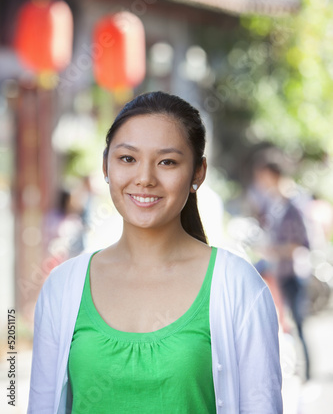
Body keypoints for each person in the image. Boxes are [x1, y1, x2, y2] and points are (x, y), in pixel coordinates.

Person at [28, 91, 282, 414]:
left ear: (197, 173)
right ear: (106, 166)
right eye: (127, 159)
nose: (145, 179)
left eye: (167, 162)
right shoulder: (63, 287)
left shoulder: (238, 286)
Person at [251, 160, 311, 381]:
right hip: (279, 272)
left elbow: (303, 243)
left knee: (298, 324)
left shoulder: (293, 205)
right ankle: (298, 373)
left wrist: (274, 250)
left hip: (293, 272)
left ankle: (307, 376)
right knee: (286, 325)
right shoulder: (273, 204)